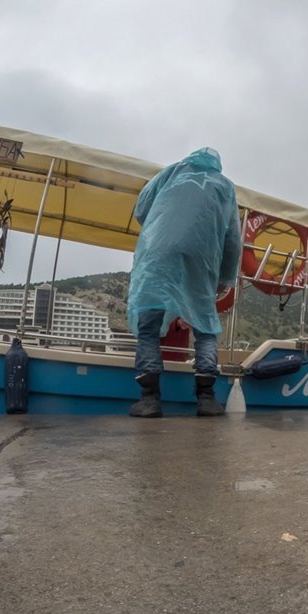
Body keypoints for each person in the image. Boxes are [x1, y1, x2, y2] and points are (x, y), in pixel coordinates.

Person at [126, 148, 242, 417]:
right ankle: (207, 398)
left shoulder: (172, 171)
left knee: (149, 323)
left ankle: (149, 399)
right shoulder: (225, 186)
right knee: (204, 326)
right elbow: (233, 239)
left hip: (157, 253)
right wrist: (225, 278)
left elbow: (142, 208)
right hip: (201, 257)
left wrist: (160, 227)